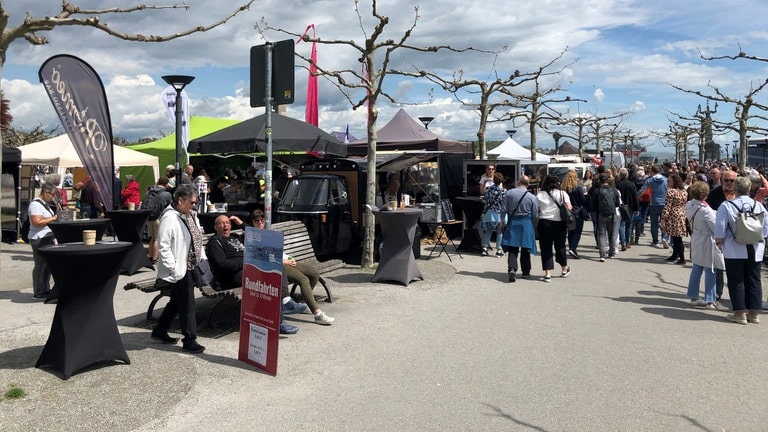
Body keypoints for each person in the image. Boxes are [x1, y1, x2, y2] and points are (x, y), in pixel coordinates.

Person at [206, 214, 302, 335]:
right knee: (266, 281)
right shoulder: (215, 242)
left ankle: (286, 300)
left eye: (228, 223)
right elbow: (222, 265)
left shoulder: (235, 236)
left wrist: (240, 222)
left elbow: (256, 234)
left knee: (276, 266)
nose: (226, 225)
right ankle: (279, 323)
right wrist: (246, 261)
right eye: (221, 223)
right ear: (215, 227)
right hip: (233, 275)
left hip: (249, 268)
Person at [250, 210, 335, 325]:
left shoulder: (268, 232)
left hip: (285, 260)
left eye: (262, 220)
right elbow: (263, 257)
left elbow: (279, 250)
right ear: (252, 223)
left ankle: (303, 303)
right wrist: (284, 261)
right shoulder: (253, 237)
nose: (260, 223)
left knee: (314, 273)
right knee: (303, 279)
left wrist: (289, 258)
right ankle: (318, 314)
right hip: (276, 265)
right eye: (256, 221)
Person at [151, 184, 206, 353]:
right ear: (180, 201)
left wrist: (201, 258)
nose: (194, 205)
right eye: (192, 202)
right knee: (188, 303)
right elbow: (164, 246)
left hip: (189, 266)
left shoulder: (188, 214)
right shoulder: (170, 218)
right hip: (180, 268)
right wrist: (173, 268)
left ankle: (160, 330)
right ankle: (190, 339)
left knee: (177, 301)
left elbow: (196, 237)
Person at [715, 176, 768, 325]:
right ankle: (754, 313)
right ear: (750, 188)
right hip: (755, 247)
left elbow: (720, 228)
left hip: (734, 247)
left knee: (736, 279)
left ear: (735, 188)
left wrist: (719, 241)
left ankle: (740, 313)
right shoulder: (758, 206)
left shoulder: (727, 205)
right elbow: (765, 228)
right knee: (754, 279)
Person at [685, 181, 724, 309]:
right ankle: (710, 300)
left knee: (696, 269)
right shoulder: (706, 210)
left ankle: (693, 296)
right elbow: (715, 227)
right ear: (706, 194)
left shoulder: (689, 205)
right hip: (707, 240)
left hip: (696, 237)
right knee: (710, 270)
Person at [500, 176, 538, 282]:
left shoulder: (509, 193)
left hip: (513, 221)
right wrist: (534, 226)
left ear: (518, 182)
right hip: (526, 223)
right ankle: (526, 271)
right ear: (528, 184)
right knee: (525, 247)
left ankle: (512, 268)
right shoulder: (531, 197)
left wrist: (502, 221)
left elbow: (503, 209)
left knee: (513, 246)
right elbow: (535, 214)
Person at [535, 175, 571, 282]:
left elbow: (537, 210)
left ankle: (548, 273)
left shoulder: (540, 194)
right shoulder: (562, 193)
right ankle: (564, 269)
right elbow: (569, 207)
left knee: (546, 247)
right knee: (560, 246)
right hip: (559, 222)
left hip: (544, 222)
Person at [28, 183, 58, 299]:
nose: (53, 197)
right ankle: (39, 291)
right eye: (52, 194)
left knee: (47, 264)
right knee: (40, 264)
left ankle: (45, 288)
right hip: (39, 237)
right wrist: (53, 218)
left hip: (47, 236)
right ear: (46, 193)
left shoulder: (45, 204)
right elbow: (37, 222)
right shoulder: (35, 205)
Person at [590, 173, 620, 262]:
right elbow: (617, 203)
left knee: (602, 234)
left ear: (600, 180)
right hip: (612, 214)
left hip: (601, 214)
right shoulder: (614, 190)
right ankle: (612, 252)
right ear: (607, 180)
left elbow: (592, 205)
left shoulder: (597, 191)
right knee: (611, 234)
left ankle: (602, 255)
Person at [660, 173, 688, 264]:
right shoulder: (684, 191)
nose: (667, 182)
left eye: (669, 181)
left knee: (676, 238)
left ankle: (681, 258)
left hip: (673, 215)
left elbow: (667, 206)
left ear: (674, 182)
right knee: (676, 236)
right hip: (682, 214)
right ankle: (675, 255)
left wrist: (663, 218)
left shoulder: (671, 192)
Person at [637, 164, 668, 248]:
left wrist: (636, 197)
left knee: (654, 223)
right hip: (664, 203)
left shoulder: (650, 180)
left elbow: (642, 191)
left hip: (653, 203)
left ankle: (655, 241)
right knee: (664, 222)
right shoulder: (666, 180)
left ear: (652, 171)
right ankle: (664, 237)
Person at [146, 176, 173, 265]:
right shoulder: (166, 194)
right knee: (157, 239)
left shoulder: (150, 191)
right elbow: (170, 206)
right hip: (159, 218)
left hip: (149, 217)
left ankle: (150, 256)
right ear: (166, 183)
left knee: (152, 238)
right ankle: (155, 258)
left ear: (158, 182)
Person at [561, 170, 587, 258]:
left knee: (571, 230)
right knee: (577, 231)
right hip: (577, 211)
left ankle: (571, 247)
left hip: (567, 211)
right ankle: (573, 247)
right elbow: (583, 200)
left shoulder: (563, 189)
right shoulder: (578, 188)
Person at [481, 172, 506, 257]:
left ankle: (484, 249)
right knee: (499, 232)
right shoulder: (503, 191)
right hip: (499, 214)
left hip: (489, 213)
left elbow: (484, 199)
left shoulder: (489, 188)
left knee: (488, 231)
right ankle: (498, 250)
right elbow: (505, 203)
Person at [616, 168, 639, 252]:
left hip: (621, 207)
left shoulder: (618, 184)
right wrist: (636, 208)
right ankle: (627, 241)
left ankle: (623, 242)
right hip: (631, 207)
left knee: (621, 225)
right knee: (629, 225)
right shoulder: (632, 184)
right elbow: (635, 197)